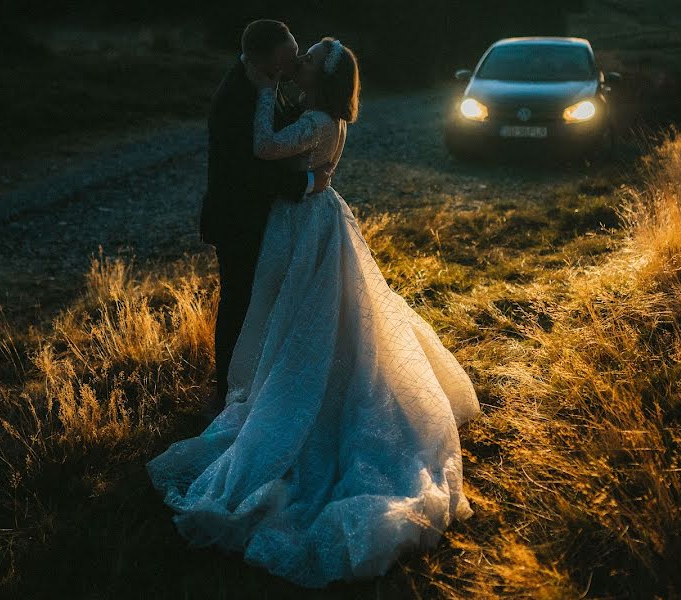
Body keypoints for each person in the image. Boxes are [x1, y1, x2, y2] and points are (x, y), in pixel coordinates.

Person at [147, 35, 482, 588]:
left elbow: (261, 145)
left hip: (304, 225)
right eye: (293, 56)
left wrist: (263, 91)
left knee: (305, 315)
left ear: (319, 76)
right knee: (297, 313)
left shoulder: (318, 120)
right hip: (306, 218)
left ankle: (300, 391)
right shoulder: (320, 113)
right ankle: (275, 379)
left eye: (305, 59)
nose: (295, 63)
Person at [198, 19, 333, 408]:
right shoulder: (237, 97)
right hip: (237, 219)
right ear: (264, 60)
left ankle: (254, 383)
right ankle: (227, 392)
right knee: (239, 302)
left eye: (296, 54)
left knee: (262, 303)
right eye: (289, 57)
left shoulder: (265, 84)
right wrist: (307, 183)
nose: (295, 63)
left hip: (263, 217)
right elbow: (248, 171)